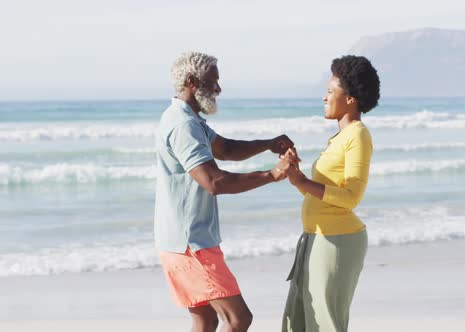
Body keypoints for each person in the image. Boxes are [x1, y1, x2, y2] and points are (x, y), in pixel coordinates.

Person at [154, 51, 298, 332]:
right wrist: (272, 174)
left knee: (205, 319)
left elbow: (226, 149)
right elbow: (214, 182)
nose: (218, 89)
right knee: (237, 318)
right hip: (190, 243)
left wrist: (268, 143)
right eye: (213, 81)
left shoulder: (187, 119)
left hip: (178, 239)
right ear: (192, 82)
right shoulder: (184, 125)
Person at [281, 55, 381, 332]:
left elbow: (350, 196)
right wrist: (297, 178)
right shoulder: (341, 137)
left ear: (350, 98)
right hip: (316, 236)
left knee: (324, 324)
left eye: (330, 92)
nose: (324, 98)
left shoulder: (358, 135)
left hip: (337, 241)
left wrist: (302, 180)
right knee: (299, 320)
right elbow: (321, 194)